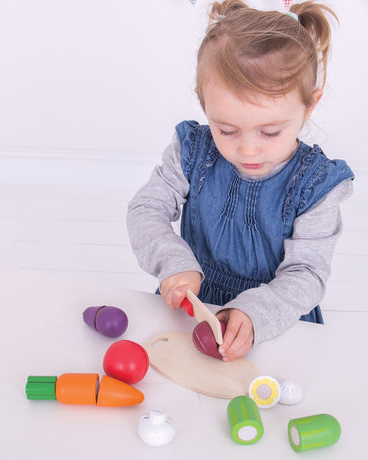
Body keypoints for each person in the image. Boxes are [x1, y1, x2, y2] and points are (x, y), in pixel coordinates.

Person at [127, 0, 354, 361]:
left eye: (270, 131)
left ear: (309, 106)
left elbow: (307, 274)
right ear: (204, 105)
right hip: (191, 309)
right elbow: (146, 209)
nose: (248, 150)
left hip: (273, 322)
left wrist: (254, 314)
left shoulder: (316, 185)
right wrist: (174, 264)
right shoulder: (192, 152)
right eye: (227, 129)